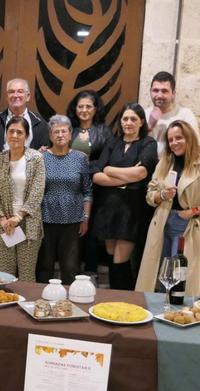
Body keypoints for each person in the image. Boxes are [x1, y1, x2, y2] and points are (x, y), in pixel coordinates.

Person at [135, 120, 200, 296]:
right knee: (159, 271)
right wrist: (162, 196)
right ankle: (156, 310)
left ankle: (178, 314)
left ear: (189, 138)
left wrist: (192, 212)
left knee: (181, 276)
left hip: (188, 224)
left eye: (179, 138)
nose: (174, 143)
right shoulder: (164, 163)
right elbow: (150, 194)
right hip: (162, 221)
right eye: (171, 140)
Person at [91, 103, 159, 290]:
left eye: (133, 119)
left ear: (141, 122)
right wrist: (124, 179)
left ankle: (125, 299)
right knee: (112, 257)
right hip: (109, 208)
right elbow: (97, 175)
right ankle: (115, 299)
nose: (128, 123)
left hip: (131, 209)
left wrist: (110, 170)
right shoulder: (113, 142)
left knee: (121, 259)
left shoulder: (148, 143)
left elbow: (141, 174)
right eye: (125, 119)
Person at [0, 116, 46, 282]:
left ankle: (25, 306)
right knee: (5, 276)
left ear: (27, 136)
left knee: (26, 276)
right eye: (11, 131)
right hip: (4, 225)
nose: (14, 135)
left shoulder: (36, 158)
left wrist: (18, 216)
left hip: (27, 224)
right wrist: (2, 219)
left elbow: (37, 190)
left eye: (19, 132)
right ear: (6, 134)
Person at [37, 115, 91, 284]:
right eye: (56, 131)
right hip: (45, 219)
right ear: (50, 135)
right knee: (44, 266)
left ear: (70, 134)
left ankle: (69, 305)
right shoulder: (41, 157)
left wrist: (85, 218)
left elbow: (87, 191)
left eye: (63, 131)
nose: (60, 135)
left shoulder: (80, 158)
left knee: (70, 267)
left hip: (73, 220)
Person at [67, 90, 114, 274]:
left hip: (97, 190)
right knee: (73, 232)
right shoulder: (69, 130)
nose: (84, 110)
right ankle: (72, 272)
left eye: (88, 106)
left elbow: (107, 161)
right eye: (81, 106)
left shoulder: (104, 131)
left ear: (96, 109)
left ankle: (91, 272)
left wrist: (86, 164)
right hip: (71, 189)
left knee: (92, 233)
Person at [0, 78, 50, 152]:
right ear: (7, 96)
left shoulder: (39, 122)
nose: (15, 95)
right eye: (11, 92)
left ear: (28, 96)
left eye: (20, 91)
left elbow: (44, 152)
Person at [145, 71, 200, 156]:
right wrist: (148, 127)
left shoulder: (185, 115)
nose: (159, 95)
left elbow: (195, 147)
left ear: (173, 94)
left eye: (164, 91)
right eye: (155, 90)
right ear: (150, 91)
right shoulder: (143, 114)